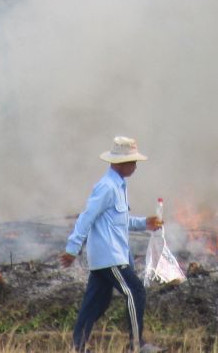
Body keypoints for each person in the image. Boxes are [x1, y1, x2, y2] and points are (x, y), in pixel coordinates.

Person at [60, 136, 165, 353]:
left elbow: (120, 222)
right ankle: (136, 345)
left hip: (108, 256)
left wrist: (144, 223)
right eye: (132, 162)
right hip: (110, 257)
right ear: (118, 162)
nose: (135, 166)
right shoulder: (106, 187)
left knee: (96, 302)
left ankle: (78, 347)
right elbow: (86, 217)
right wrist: (72, 248)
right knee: (135, 292)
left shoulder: (119, 186)